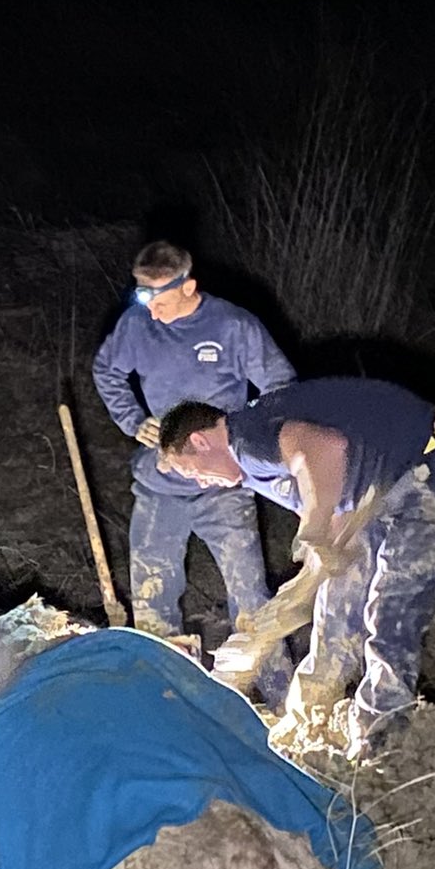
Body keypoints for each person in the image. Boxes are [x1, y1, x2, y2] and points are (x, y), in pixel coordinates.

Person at [159, 377, 435, 757]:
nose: (202, 481)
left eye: (193, 470)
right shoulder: (253, 469)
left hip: (433, 463)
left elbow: (325, 448)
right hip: (383, 488)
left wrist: (312, 528)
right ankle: (308, 718)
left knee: (392, 603)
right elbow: (332, 511)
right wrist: (291, 598)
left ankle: (381, 733)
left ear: (200, 441)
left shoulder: (246, 439)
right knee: (336, 602)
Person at [92, 240, 295, 702]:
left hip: (224, 486)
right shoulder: (137, 325)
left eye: (159, 299)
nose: (151, 311)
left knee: (250, 595)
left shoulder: (234, 326)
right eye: (141, 297)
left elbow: (281, 386)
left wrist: (243, 440)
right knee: (151, 594)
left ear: (189, 287)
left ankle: (278, 697)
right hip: (160, 483)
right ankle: (161, 698)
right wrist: (132, 420)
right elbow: (107, 370)